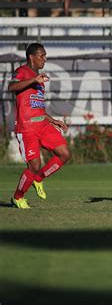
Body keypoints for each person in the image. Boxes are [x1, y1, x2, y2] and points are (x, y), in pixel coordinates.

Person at [8, 43, 71, 209]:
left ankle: (39, 178)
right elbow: (11, 87)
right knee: (34, 165)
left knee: (64, 154)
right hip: (27, 128)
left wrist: (53, 120)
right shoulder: (22, 71)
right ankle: (18, 197)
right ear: (31, 57)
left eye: (45, 55)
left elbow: (37, 107)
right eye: (41, 55)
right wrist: (33, 80)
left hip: (42, 125)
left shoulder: (39, 80)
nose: (45, 58)